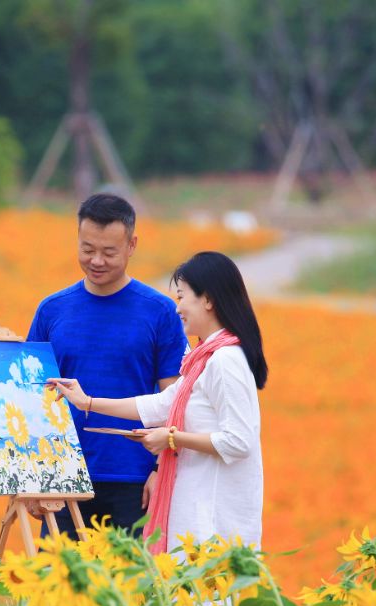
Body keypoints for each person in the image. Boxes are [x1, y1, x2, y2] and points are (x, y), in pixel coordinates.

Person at [51, 251, 267, 553]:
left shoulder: (225, 361)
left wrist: (172, 438)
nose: (177, 308)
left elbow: (239, 441)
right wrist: (86, 402)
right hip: (196, 511)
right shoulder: (203, 360)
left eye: (182, 297)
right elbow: (159, 405)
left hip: (214, 519)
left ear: (207, 300)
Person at [27, 193, 188, 539]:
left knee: (132, 575)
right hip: (63, 479)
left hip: (135, 480)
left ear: (132, 245)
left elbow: (175, 399)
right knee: (59, 573)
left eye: (109, 252)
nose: (96, 260)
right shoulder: (52, 310)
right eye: (87, 249)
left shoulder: (160, 312)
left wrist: (160, 469)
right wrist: (32, 477)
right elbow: (33, 398)